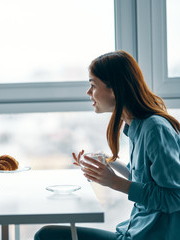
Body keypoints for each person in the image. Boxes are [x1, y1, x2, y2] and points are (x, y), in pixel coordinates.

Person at [34, 50, 180, 240]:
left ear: (114, 89)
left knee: (46, 236)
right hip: (132, 232)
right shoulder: (136, 127)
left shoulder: (154, 129)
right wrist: (108, 163)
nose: (88, 92)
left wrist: (114, 182)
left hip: (148, 236)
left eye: (93, 85)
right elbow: (144, 181)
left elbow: (175, 197)